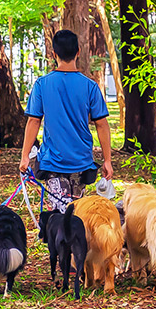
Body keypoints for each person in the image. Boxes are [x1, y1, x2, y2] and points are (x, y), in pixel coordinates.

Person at [19, 30, 114, 213]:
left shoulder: (42, 84)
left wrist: (25, 156)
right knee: (77, 215)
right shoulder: (90, 86)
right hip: (82, 162)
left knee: (59, 216)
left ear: (54, 54)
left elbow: (33, 121)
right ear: (78, 51)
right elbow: (101, 124)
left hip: (53, 162)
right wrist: (107, 160)